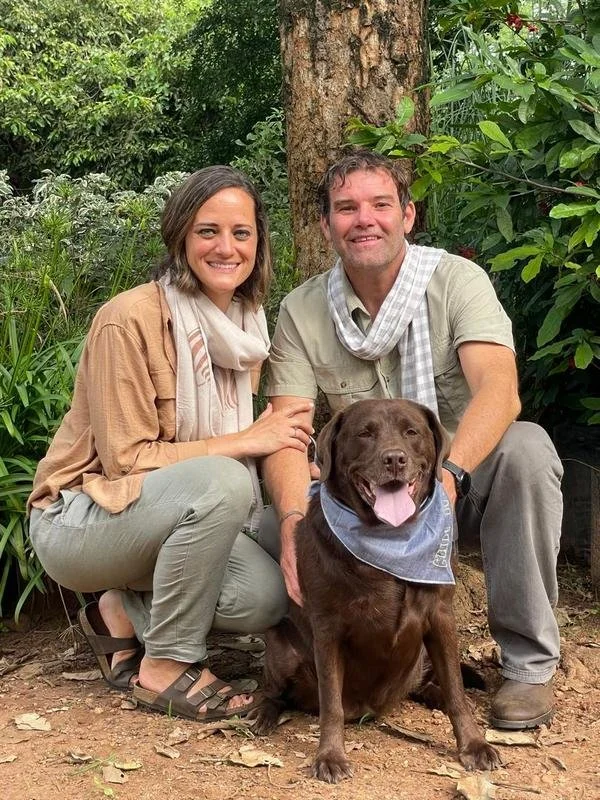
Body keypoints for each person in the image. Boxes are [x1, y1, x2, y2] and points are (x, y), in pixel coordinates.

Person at [262, 149, 563, 731]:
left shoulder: (455, 281)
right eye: (346, 208)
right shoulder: (302, 310)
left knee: (526, 450)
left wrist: (448, 477)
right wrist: (293, 520)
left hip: (456, 481)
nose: (364, 219)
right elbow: (286, 431)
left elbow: (499, 393)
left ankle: (527, 665)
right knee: (266, 515)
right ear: (325, 225)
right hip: (365, 498)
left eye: (380, 204)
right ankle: (351, 666)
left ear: (408, 214)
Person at [27, 165, 313, 722]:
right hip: (82, 520)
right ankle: (165, 666)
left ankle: (123, 612)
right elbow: (127, 462)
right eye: (208, 231)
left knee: (263, 597)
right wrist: (246, 441)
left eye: (241, 232)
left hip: (169, 515)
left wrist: (284, 460)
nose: (226, 247)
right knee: (227, 477)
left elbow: (254, 446)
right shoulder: (129, 319)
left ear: (259, 242)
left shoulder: (247, 329)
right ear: (180, 235)